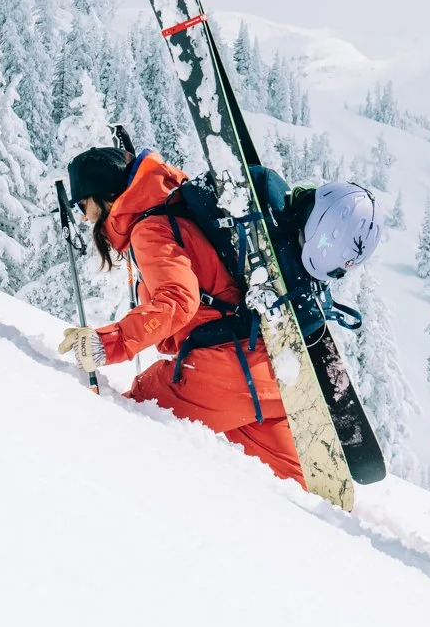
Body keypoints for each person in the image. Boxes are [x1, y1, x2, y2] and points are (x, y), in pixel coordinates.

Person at [55, 144, 303, 485]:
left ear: (105, 195)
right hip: (266, 366)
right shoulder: (175, 208)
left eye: (82, 204)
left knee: (125, 418)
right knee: (301, 491)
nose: (84, 217)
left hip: (223, 371)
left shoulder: (150, 229)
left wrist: (106, 343)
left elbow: (178, 300)